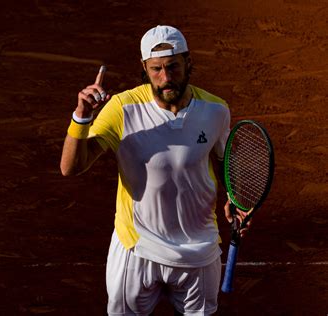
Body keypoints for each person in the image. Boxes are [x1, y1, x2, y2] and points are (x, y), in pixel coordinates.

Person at [60, 25, 250, 316]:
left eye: (173, 66)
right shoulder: (122, 110)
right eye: (156, 69)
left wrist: (234, 198)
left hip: (199, 250)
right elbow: (71, 168)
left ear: (188, 62)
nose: (166, 78)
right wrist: (81, 117)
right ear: (145, 69)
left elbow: (227, 160)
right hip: (138, 250)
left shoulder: (215, 110)